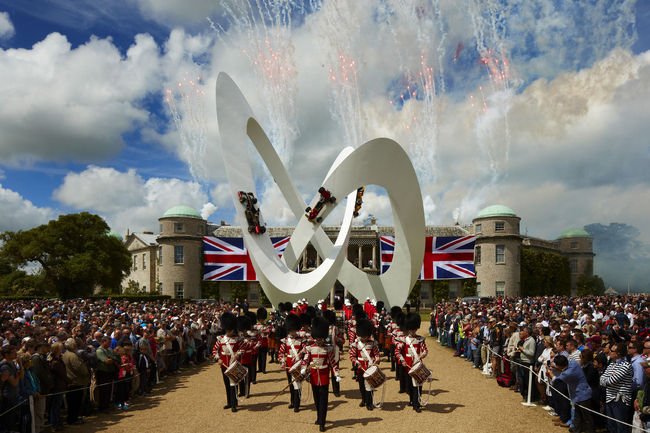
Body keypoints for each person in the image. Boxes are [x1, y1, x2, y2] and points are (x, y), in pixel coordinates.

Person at [300, 317, 340, 432]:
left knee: (324, 401)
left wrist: (336, 374)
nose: (319, 340)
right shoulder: (310, 348)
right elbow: (306, 360)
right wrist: (303, 368)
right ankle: (319, 417)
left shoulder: (327, 349)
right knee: (317, 400)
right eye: (317, 338)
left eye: (320, 338)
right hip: (313, 376)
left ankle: (322, 422)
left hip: (324, 377)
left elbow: (332, 362)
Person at [547, 355, 595, 433]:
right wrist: (557, 368)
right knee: (577, 415)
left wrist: (550, 374)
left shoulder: (568, 373)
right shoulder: (573, 363)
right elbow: (563, 370)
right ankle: (575, 430)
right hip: (578, 395)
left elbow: (557, 381)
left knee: (587, 417)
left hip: (582, 395)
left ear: (559, 365)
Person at [395, 312, 428, 412]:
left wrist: (422, 355)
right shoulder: (404, 340)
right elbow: (397, 352)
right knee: (409, 385)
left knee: (418, 384)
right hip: (407, 365)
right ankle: (411, 400)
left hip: (417, 364)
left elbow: (425, 350)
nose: (413, 331)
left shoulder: (420, 339)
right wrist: (402, 360)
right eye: (411, 329)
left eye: (414, 329)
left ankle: (416, 404)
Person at [213, 312, 244, 412]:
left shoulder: (237, 339)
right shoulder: (221, 339)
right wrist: (218, 359)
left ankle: (234, 403)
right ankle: (229, 402)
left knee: (233, 383)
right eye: (228, 330)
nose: (229, 332)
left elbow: (243, 349)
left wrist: (237, 354)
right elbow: (214, 350)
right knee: (227, 383)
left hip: (233, 364)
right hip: (224, 365)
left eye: (230, 330)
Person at [600, 343, 633, 433]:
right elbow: (601, 380)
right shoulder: (611, 364)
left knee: (621, 427)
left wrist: (608, 379)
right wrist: (608, 379)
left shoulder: (626, 365)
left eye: (612, 350)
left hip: (620, 400)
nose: (609, 352)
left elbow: (611, 381)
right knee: (611, 426)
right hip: (610, 398)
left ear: (618, 353)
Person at [349, 318, 380, 410]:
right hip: (360, 367)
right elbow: (352, 356)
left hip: (369, 366)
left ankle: (369, 403)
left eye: (366, 336)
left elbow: (376, 354)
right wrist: (356, 362)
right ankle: (364, 399)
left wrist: (377, 359)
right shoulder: (356, 344)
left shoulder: (373, 343)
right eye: (363, 336)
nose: (365, 338)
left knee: (370, 385)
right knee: (362, 385)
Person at [278, 314, 305, 413]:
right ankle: (293, 401)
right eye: (291, 330)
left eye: (294, 330)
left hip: (298, 365)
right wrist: (282, 360)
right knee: (291, 384)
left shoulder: (301, 340)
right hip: (289, 365)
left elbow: (305, 350)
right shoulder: (286, 341)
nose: (293, 332)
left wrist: (301, 353)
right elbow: (281, 353)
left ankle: (297, 404)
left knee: (298, 384)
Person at [62, 338, 89, 425]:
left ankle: (73, 418)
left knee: (72, 402)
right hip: (75, 382)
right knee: (75, 402)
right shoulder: (72, 356)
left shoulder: (65, 354)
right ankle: (73, 419)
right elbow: (80, 368)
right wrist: (86, 372)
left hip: (71, 381)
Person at [95, 336, 118, 411]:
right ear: (103, 342)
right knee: (103, 390)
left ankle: (107, 405)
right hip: (103, 373)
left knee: (109, 390)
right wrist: (112, 359)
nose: (110, 344)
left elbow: (115, 358)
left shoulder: (109, 349)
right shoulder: (99, 351)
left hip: (110, 372)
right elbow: (107, 361)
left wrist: (111, 359)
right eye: (108, 342)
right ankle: (102, 407)